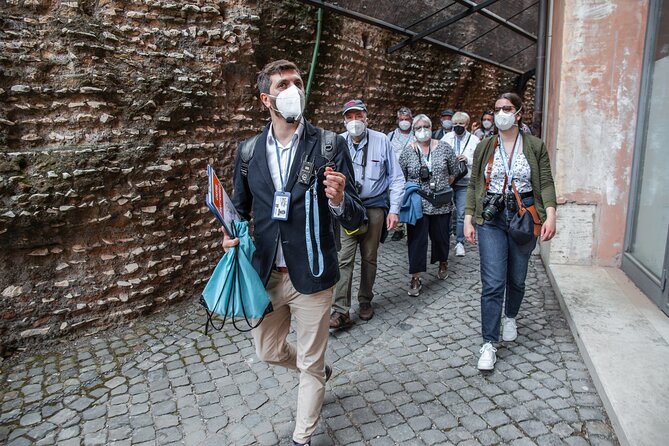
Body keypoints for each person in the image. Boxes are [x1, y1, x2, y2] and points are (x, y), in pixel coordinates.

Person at [223, 60, 365, 446]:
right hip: (267, 275)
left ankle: (303, 436)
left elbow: (357, 212)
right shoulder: (248, 151)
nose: (293, 89)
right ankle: (315, 366)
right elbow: (240, 210)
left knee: (309, 366)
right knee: (267, 351)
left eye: (297, 82)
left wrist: (338, 201)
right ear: (265, 99)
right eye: (283, 84)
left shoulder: (329, 145)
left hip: (314, 274)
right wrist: (230, 236)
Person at [464, 92, 556, 372]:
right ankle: (489, 343)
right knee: (493, 282)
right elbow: (473, 185)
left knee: (517, 278)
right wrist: (468, 218)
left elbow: (546, 182)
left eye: (507, 108)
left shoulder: (535, 146)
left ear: (518, 113)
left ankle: (511, 315)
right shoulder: (484, 146)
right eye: (497, 109)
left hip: (524, 215)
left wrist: (550, 215)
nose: (501, 113)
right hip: (491, 217)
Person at [329, 99, 405, 329]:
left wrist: (394, 209)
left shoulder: (381, 141)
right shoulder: (337, 142)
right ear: (344, 120)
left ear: (366, 118)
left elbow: (396, 177)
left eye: (358, 116)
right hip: (347, 207)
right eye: (349, 117)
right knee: (344, 258)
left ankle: (365, 300)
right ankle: (341, 310)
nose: (354, 122)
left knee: (369, 257)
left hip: (374, 206)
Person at [399, 114, 457, 296]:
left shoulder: (444, 148)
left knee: (441, 237)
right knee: (416, 241)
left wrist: (443, 186)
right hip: (418, 203)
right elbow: (401, 176)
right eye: (418, 127)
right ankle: (415, 276)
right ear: (414, 131)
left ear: (431, 128)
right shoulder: (407, 151)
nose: (422, 130)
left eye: (425, 126)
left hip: (440, 202)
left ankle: (442, 261)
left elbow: (454, 171)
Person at [441, 111, 480, 257]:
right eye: (455, 124)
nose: (458, 126)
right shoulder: (446, 138)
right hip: (448, 180)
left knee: (462, 213)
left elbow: (478, 161)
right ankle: (444, 239)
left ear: (467, 125)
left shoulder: (474, 140)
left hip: (465, 181)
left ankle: (459, 242)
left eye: (461, 124)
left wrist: (467, 159)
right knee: (445, 211)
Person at [387, 106, 415, 241]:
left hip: (411, 173)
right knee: (396, 198)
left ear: (411, 119)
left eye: (407, 119)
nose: (404, 121)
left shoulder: (416, 135)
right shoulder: (391, 136)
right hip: (395, 173)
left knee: (409, 200)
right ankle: (398, 228)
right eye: (401, 119)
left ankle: (410, 227)